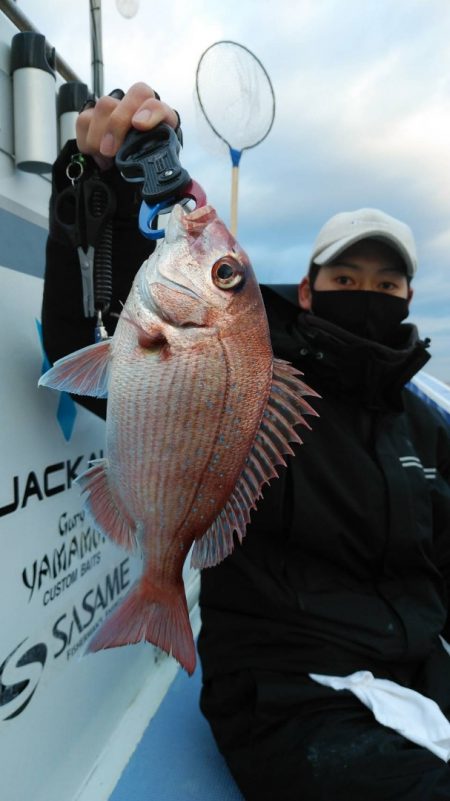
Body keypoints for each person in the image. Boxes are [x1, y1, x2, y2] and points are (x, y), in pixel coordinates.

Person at [41, 84, 450, 801]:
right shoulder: (258, 375)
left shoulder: (425, 421)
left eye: (386, 284)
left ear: (410, 299)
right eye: (346, 276)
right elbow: (92, 347)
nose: (366, 292)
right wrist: (107, 183)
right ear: (308, 291)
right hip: (287, 687)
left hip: (422, 664)